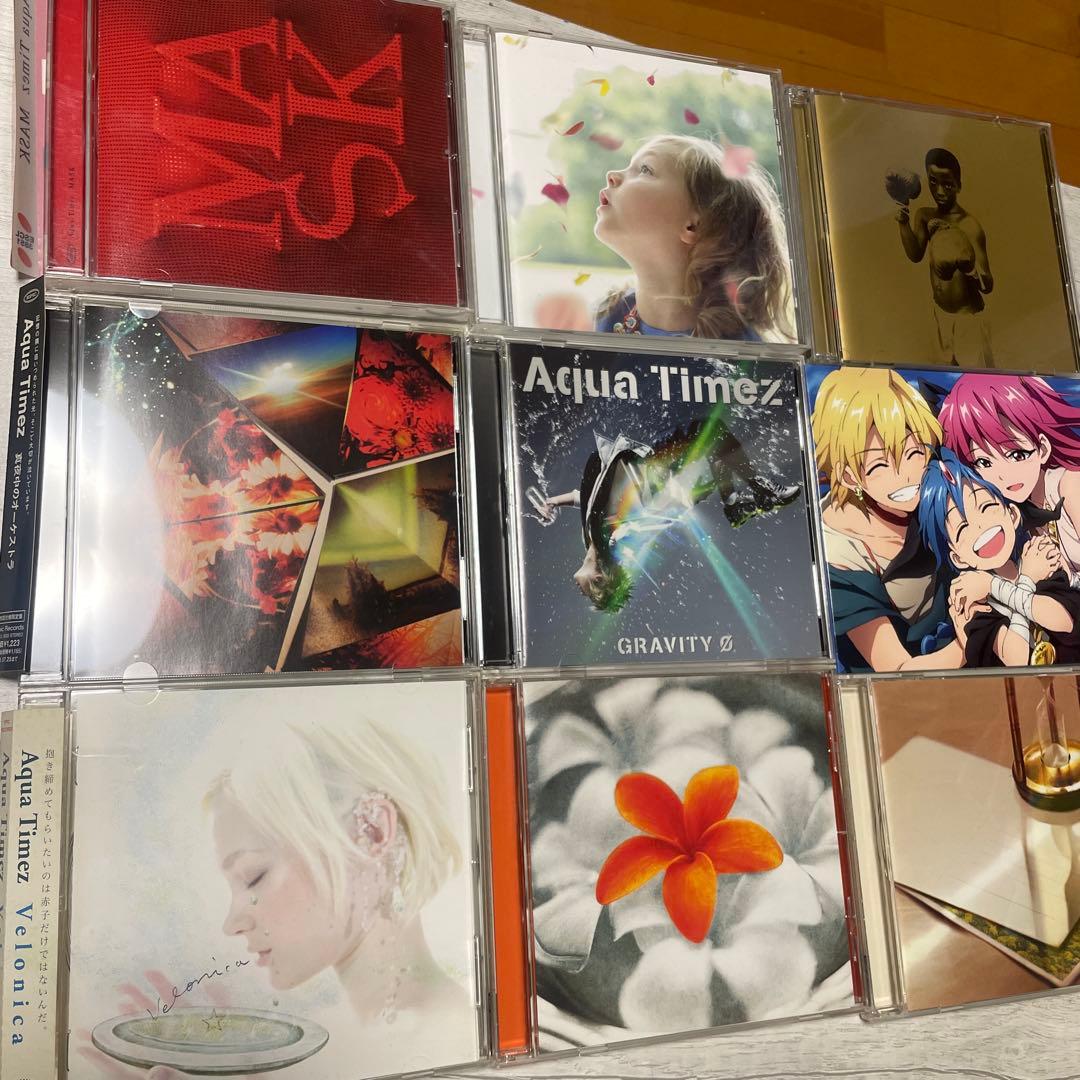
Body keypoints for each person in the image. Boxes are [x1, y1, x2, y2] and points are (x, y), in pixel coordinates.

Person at [94, 714, 471, 1079]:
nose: (231, 924)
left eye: (253, 876)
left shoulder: (452, 1041)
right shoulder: (322, 1040)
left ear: (372, 831)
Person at [536, 417, 799, 613]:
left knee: (712, 439)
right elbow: (642, 523)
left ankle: (734, 503)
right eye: (588, 594)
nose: (580, 593)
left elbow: (588, 498)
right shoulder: (615, 543)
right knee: (710, 430)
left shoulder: (591, 540)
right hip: (657, 474)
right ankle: (754, 492)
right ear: (599, 579)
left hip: (652, 473)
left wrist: (553, 503)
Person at [811, 366, 973, 671]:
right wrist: (971, 640)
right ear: (849, 476)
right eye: (880, 466)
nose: (907, 475)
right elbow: (897, 669)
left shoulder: (936, 478)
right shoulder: (838, 553)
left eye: (914, 454)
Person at [592, 135, 793, 342]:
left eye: (645, 169)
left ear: (694, 226)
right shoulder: (603, 317)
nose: (612, 175)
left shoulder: (743, 353)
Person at [918, 448, 1080, 666]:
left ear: (1012, 514)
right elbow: (1017, 659)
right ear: (957, 557)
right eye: (963, 528)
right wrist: (1025, 581)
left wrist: (994, 585)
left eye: (986, 507)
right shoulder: (972, 599)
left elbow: (1064, 621)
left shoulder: (1036, 556)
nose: (980, 526)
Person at [939, 373, 1080, 584]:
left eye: (1016, 455)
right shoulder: (1009, 511)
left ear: (1042, 448)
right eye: (983, 462)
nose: (1003, 474)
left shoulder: (1070, 483)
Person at [893, 148, 993, 365]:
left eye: (947, 184)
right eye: (933, 181)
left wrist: (969, 267)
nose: (939, 191)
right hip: (939, 314)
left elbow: (987, 284)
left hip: (967, 319)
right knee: (940, 380)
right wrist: (903, 222)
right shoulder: (925, 216)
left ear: (958, 185)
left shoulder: (969, 225)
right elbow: (915, 254)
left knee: (974, 379)